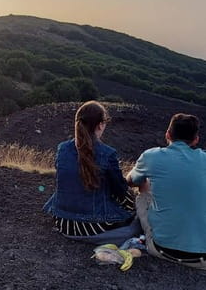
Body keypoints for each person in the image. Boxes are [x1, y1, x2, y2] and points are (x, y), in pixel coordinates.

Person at [127, 113, 206, 270]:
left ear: (167, 134)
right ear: (196, 139)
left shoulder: (151, 156)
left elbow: (131, 181)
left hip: (159, 249)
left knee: (143, 185)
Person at [43, 101, 141, 245]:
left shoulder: (62, 149)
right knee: (136, 221)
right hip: (91, 226)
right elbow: (120, 191)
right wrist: (134, 204)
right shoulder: (107, 154)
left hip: (62, 222)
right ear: (100, 125)